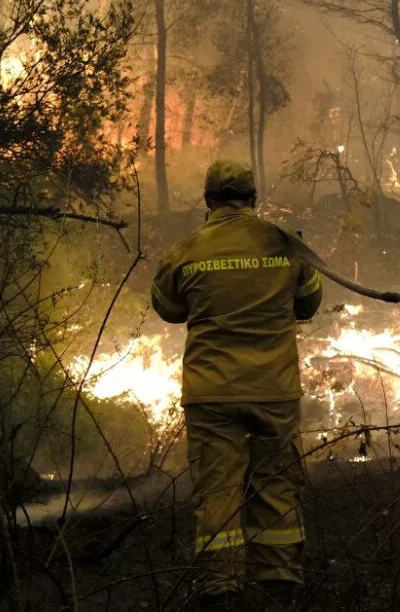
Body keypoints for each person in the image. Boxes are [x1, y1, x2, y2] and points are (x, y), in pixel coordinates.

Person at [151, 160, 323, 611]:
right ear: (254, 198)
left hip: (212, 394)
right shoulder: (284, 245)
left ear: (208, 200)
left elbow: (168, 308)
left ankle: (220, 592)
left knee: (218, 495)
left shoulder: (187, 250)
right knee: (276, 486)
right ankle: (278, 590)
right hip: (273, 390)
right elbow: (309, 304)